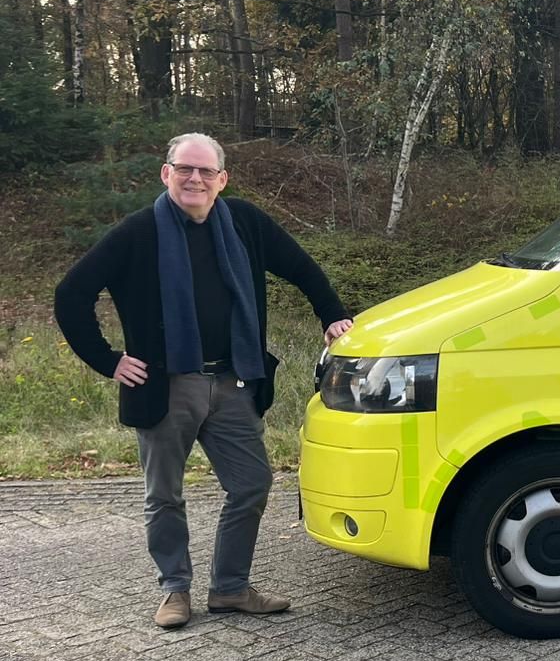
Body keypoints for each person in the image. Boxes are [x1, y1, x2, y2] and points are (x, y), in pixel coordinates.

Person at [55, 133, 354, 630]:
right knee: (165, 494)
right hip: (167, 386)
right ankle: (175, 590)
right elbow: (72, 294)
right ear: (166, 172)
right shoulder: (138, 232)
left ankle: (231, 588)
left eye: (205, 171)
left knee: (252, 483)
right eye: (185, 169)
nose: (195, 178)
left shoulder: (244, 223)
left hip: (234, 380)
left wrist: (332, 313)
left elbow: (299, 266)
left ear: (222, 179)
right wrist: (108, 361)